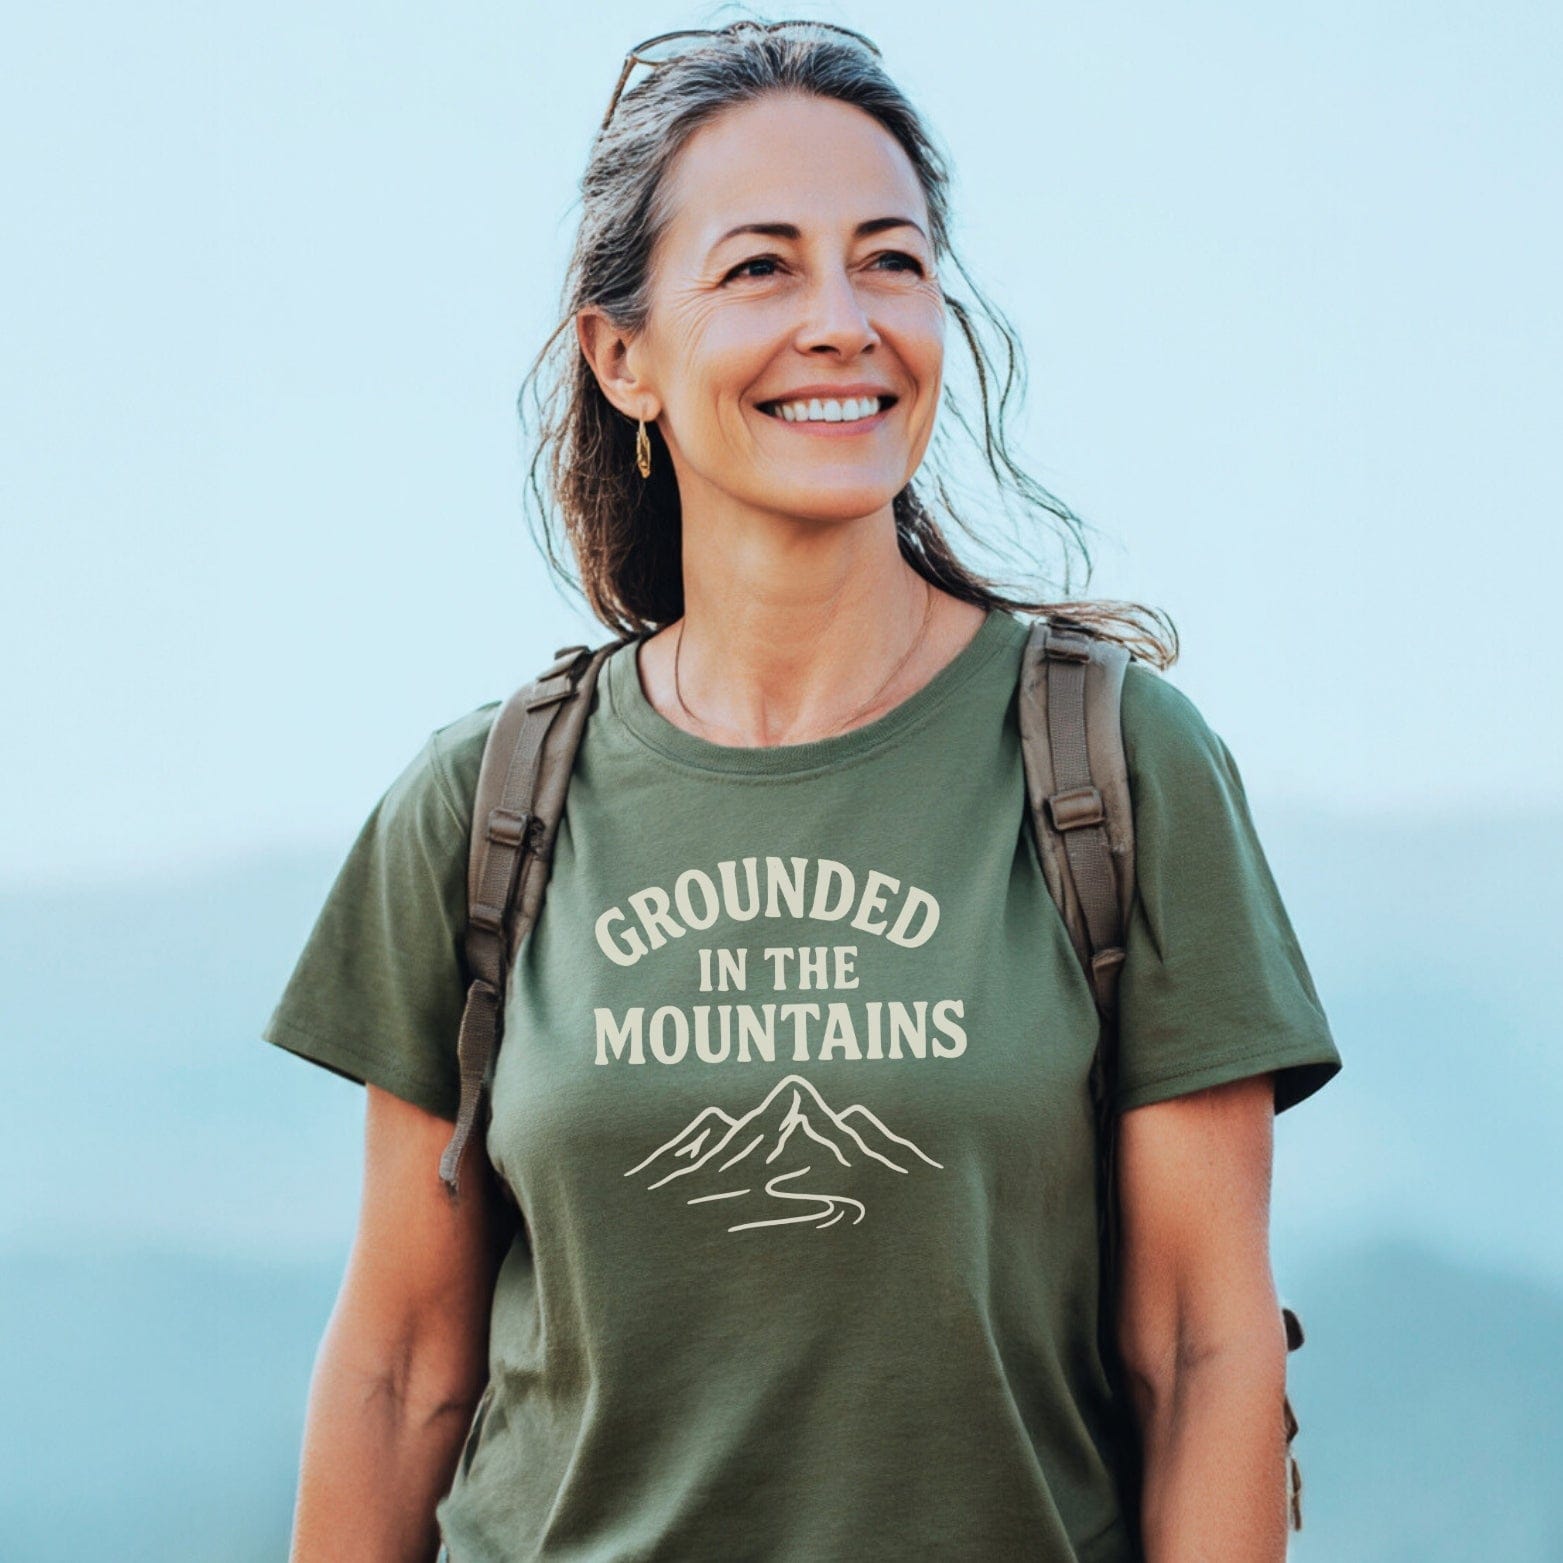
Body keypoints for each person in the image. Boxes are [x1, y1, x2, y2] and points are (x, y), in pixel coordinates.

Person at [260, 18, 1342, 1562]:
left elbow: (1203, 1351)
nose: (842, 320)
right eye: (761, 268)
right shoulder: (485, 805)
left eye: (890, 262)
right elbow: (400, 1370)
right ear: (620, 356)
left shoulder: (1116, 767)